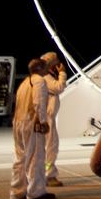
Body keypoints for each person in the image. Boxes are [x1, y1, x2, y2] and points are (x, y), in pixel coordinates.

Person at [11, 58, 54, 199]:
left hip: (18, 122)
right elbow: (39, 102)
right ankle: (36, 191)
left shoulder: (24, 83)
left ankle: (18, 190)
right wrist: (42, 122)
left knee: (20, 158)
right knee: (35, 156)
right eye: (46, 66)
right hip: (31, 123)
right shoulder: (39, 82)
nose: (48, 69)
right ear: (40, 68)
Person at [40, 53, 67, 188]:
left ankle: (41, 174)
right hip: (47, 118)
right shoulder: (46, 77)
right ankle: (49, 175)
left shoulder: (43, 77)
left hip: (44, 117)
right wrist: (62, 73)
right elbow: (58, 87)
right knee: (51, 147)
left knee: (43, 148)